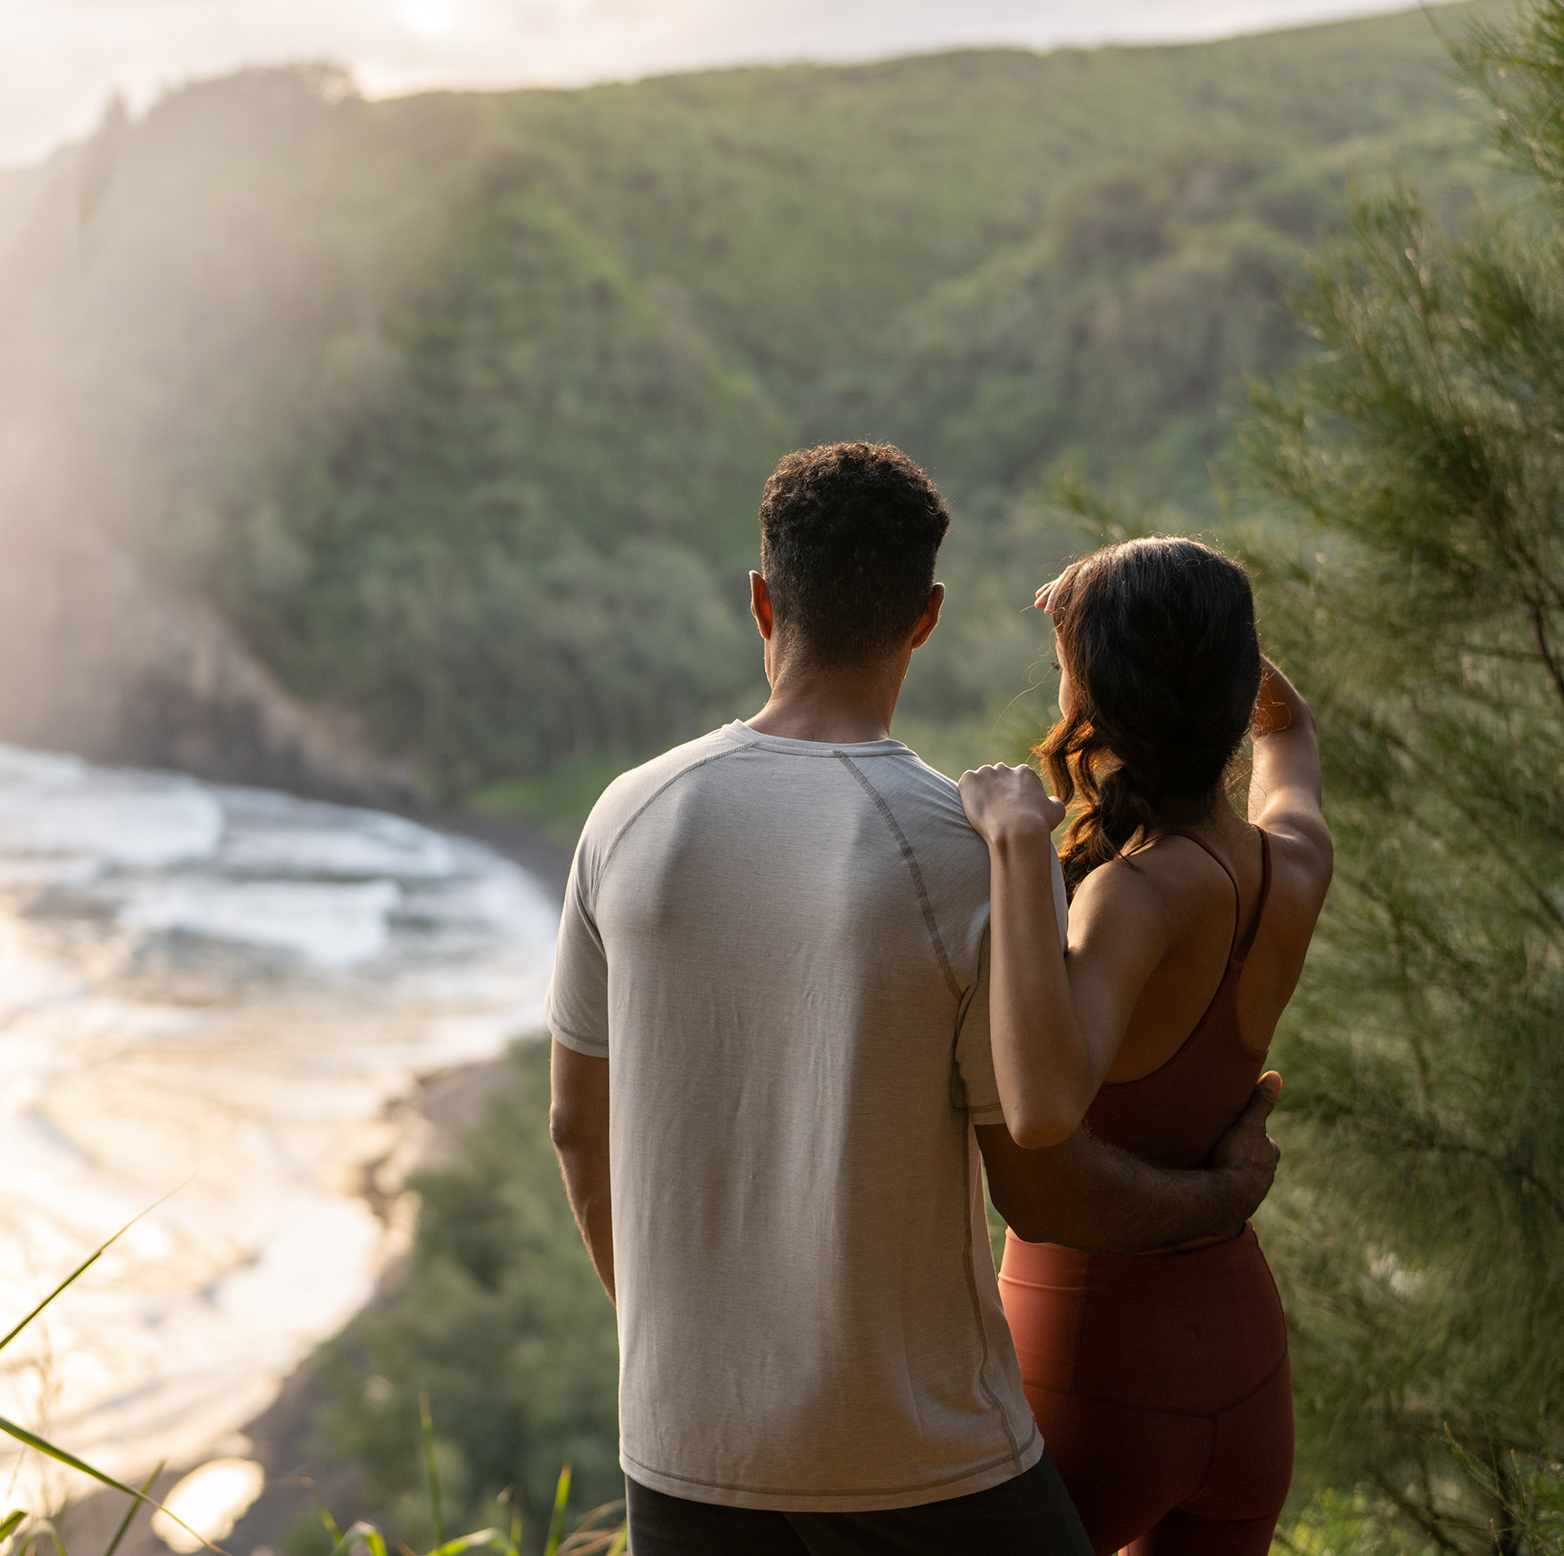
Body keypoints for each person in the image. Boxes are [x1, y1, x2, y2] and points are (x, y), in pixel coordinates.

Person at [548, 445, 1283, 1556]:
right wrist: (1219, 1194)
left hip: (683, 1448)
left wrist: (687, 1357)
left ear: (760, 598)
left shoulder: (626, 816)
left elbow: (573, 1124)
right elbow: (1046, 1192)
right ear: (925, 616)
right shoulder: (972, 850)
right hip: (925, 1463)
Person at [958, 538, 1333, 1555]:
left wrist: (1011, 842)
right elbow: (1289, 736)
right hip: (1243, 1368)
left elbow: (1041, 1107)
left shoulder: (1135, 893)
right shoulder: (1295, 861)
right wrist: (1194, 642)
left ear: (1098, 698)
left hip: (1095, 1363)